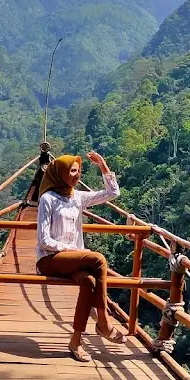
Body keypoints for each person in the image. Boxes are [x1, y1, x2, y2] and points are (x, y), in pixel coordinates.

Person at [35, 151, 125, 362]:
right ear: (60, 173)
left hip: (72, 261)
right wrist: (73, 251)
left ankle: (75, 342)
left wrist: (103, 164)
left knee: (89, 282)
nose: (77, 175)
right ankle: (103, 320)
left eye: (79, 171)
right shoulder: (47, 199)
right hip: (49, 260)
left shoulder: (77, 197)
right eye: (72, 171)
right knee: (98, 259)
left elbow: (113, 193)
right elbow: (43, 240)